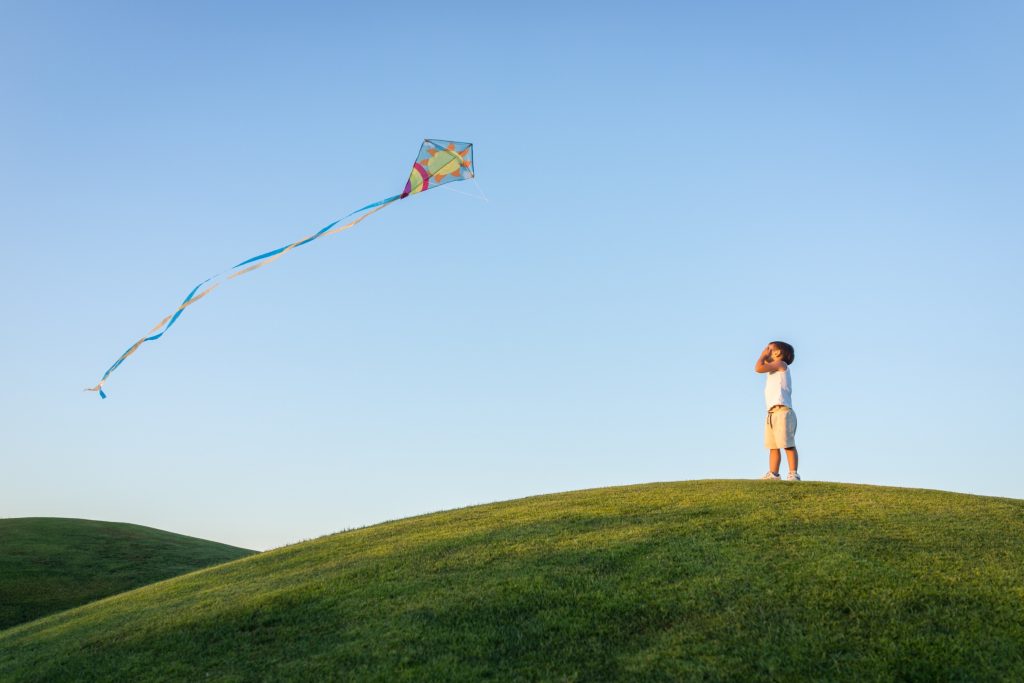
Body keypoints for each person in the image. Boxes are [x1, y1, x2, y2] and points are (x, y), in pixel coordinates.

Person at [755, 342, 799, 481]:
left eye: (770, 348)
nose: (767, 351)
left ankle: (793, 473)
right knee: (773, 446)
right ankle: (773, 473)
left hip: (783, 412)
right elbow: (763, 366)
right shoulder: (772, 369)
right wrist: (766, 356)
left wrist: (763, 355)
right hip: (772, 413)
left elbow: (758, 367)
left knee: (787, 444)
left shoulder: (781, 365)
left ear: (779, 353)